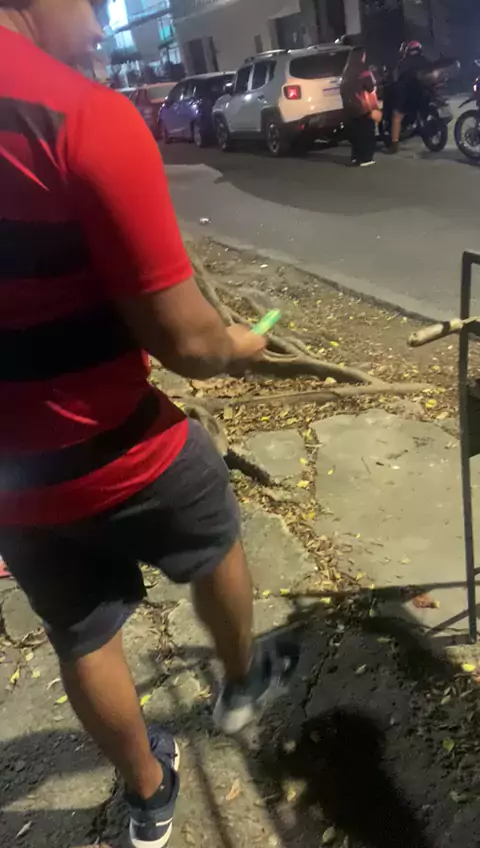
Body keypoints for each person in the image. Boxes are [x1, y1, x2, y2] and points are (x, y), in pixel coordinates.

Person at [0, 2, 298, 846]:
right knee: (215, 532)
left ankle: (148, 794)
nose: (99, 27)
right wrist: (239, 344)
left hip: (14, 481)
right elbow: (187, 345)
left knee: (80, 634)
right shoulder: (80, 117)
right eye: (92, 6)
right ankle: (242, 682)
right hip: (123, 446)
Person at [341, 48, 382, 167]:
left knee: (356, 134)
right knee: (366, 133)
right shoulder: (363, 70)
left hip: (349, 108)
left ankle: (356, 157)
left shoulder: (347, 71)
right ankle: (366, 158)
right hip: (362, 107)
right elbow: (370, 87)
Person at [388, 40, 429, 154]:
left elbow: (396, 78)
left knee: (397, 116)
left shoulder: (404, 62)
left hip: (408, 95)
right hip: (424, 94)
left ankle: (394, 145)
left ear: (407, 50)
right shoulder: (425, 60)